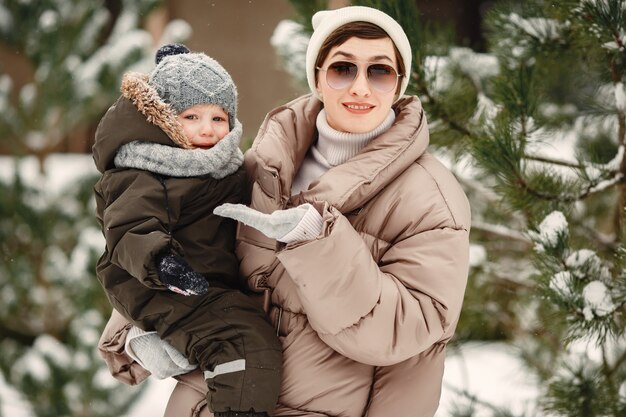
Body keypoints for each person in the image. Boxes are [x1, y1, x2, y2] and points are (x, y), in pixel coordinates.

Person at [99, 5, 471, 417]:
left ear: (399, 85)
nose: (361, 87)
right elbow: (190, 241)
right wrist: (137, 325)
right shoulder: (266, 163)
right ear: (317, 77)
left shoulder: (431, 200)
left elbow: (411, 330)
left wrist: (318, 240)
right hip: (207, 402)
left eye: (380, 72)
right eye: (343, 69)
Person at [92, 44, 282, 417]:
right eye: (191, 116)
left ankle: (166, 347)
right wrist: (162, 262)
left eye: (218, 118)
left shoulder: (221, 164)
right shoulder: (146, 167)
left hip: (203, 282)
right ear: (162, 120)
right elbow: (129, 227)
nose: (208, 130)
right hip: (158, 281)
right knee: (242, 339)